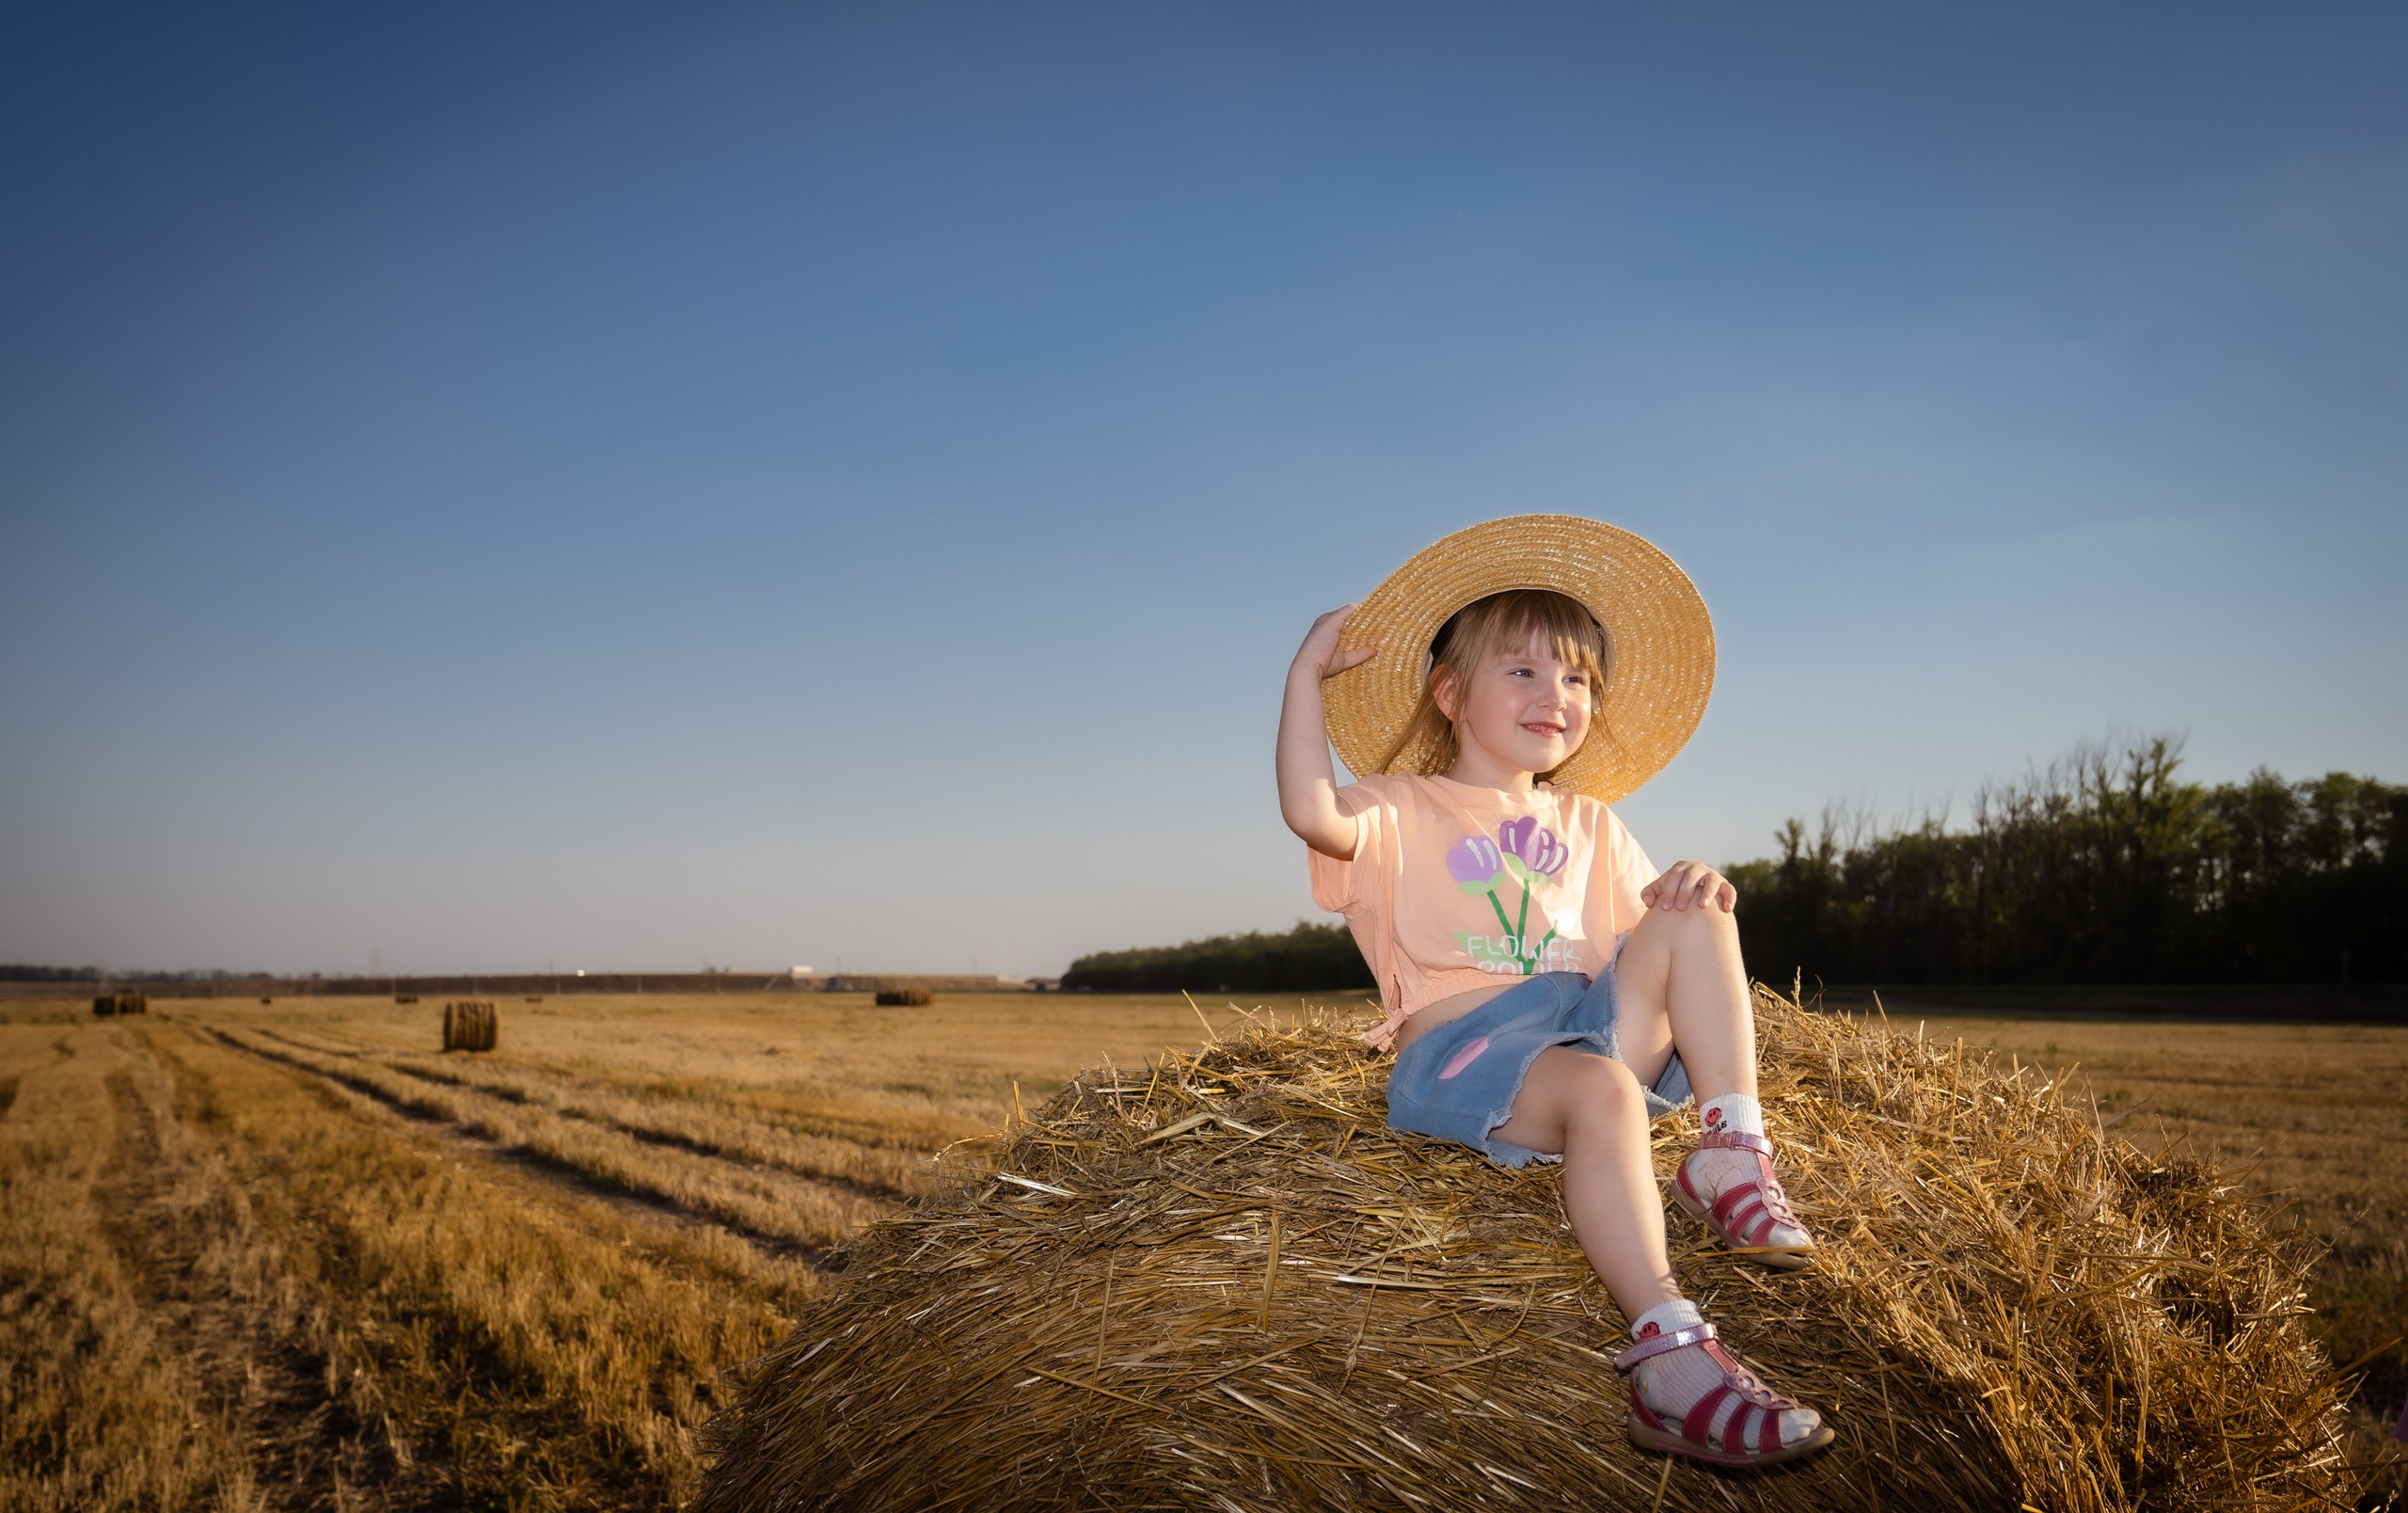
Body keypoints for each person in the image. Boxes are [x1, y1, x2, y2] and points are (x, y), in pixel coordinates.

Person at [1275, 515, 1833, 1469]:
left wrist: (1690, 886)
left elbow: (1649, 948)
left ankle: (1732, 1151)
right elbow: (1306, 809)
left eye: (1577, 678)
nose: (1556, 695)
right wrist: (1303, 675)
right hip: (1472, 1050)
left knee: (1699, 907)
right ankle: (1668, 1351)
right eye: (1524, 670)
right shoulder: (1397, 806)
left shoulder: (1592, 822)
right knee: (1603, 1090)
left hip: (1586, 1023)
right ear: (1450, 694)